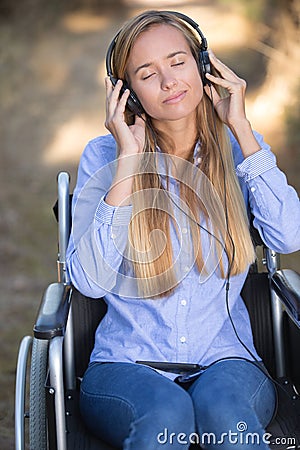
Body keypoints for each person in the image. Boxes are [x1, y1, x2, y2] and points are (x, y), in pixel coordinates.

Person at [66, 10, 300, 450]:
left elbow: (290, 236)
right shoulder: (104, 156)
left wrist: (243, 128)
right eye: (147, 74)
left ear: (203, 65)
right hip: (126, 363)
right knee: (165, 416)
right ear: (128, 94)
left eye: (178, 62)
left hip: (226, 361)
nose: (169, 81)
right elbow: (90, 282)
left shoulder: (238, 148)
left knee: (227, 417)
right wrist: (128, 161)